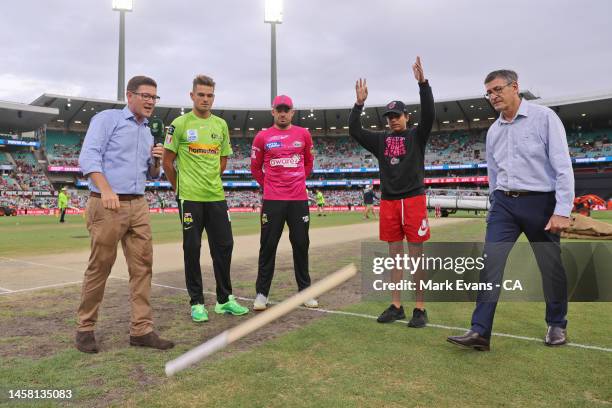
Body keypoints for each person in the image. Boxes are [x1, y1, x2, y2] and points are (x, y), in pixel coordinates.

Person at [447, 69, 574, 351]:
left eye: (497, 90)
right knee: (490, 265)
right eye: (488, 92)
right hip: (504, 203)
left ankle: (557, 324)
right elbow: (494, 174)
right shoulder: (493, 131)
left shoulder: (544, 118)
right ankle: (480, 332)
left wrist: (562, 210)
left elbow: (563, 167)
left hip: (541, 202)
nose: (492, 96)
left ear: (515, 87)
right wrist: (494, 206)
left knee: (550, 267)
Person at [76, 75, 173, 353]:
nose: (150, 102)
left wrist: (158, 159)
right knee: (100, 267)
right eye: (145, 96)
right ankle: (85, 327)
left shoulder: (147, 131)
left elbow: (151, 173)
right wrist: (106, 189)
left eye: (154, 97)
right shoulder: (107, 119)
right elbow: (89, 156)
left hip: (138, 204)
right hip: (107, 203)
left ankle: (141, 330)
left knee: (143, 267)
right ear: (129, 95)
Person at [349, 56, 435, 328]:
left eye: (396, 115)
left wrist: (423, 84)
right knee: (395, 255)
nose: (392, 120)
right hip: (388, 202)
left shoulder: (416, 136)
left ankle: (419, 308)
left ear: (406, 117)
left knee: (416, 254)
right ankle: (397, 304)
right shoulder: (381, 140)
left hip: (413, 199)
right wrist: (359, 104)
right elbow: (353, 130)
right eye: (389, 117)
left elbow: (430, 113)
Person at [162, 74, 248, 322]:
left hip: (216, 196)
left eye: (210, 95)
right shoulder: (178, 124)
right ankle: (197, 302)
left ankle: (224, 300)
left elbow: (222, 160)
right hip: (189, 197)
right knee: (192, 248)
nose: (205, 99)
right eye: (201, 94)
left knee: (225, 246)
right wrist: (179, 188)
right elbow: (167, 162)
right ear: (192, 96)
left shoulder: (220, 125)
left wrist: (210, 178)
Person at [250, 95, 317, 310]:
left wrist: (297, 182)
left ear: (292, 112)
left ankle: (305, 292)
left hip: (298, 200)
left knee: (301, 245)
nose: (282, 113)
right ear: (272, 112)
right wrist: (269, 185)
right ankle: (262, 294)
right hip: (272, 201)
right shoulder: (262, 137)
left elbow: (308, 163)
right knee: (268, 247)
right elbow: (255, 168)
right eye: (279, 109)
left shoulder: (303, 134)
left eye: (286, 110)